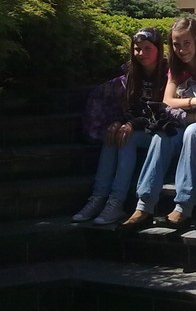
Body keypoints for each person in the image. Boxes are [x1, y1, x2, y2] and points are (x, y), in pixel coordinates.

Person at [120, 18, 196, 231]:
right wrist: (195, 101)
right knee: (162, 135)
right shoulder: (176, 67)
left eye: (187, 43)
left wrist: (192, 111)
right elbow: (168, 100)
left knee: (192, 132)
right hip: (188, 119)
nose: (181, 50)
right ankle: (144, 205)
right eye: (176, 44)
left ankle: (184, 206)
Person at [72, 28, 168, 225]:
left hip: (160, 131)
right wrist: (120, 122)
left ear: (158, 49)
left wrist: (132, 124)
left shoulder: (167, 75)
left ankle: (116, 201)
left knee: (126, 138)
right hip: (138, 127)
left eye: (147, 48)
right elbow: (130, 107)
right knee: (114, 135)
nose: (141, 53)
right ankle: (98, 197)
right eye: (137, 49)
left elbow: (161, 111)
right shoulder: (132, 74)